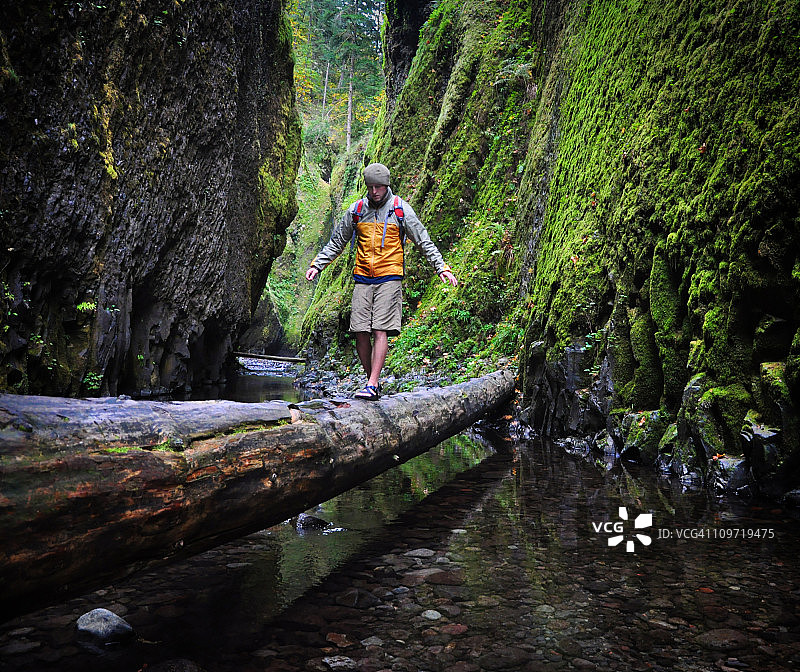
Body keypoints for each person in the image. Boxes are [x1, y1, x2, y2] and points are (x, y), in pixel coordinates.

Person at [305, 162, 458, 400]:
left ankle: (373, 382)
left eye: (379, 187)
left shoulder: (400, 210)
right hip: (363, 277)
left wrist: (441, 268)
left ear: (387, 186)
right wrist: (318, 264)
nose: (375, 191)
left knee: (379, 329)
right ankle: (371, 382)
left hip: (390, 276)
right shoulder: (356, 211)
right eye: (371, 186)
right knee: (359, 331)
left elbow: (423, 240)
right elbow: (337, 241)